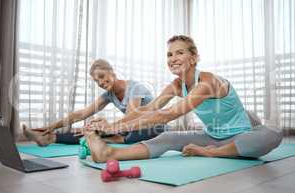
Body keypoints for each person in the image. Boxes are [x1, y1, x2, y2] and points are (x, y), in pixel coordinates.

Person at [82, 35, 283, 163]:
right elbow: (148, 110)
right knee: (168, 137)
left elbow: (166, 115)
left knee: (272, 133)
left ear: (194, 57)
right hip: (211, 136)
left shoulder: (207, 82)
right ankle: (109, 154)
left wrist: (113, 129)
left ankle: (212, 153)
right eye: (169, 54)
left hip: (240, 136)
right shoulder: (177, 85)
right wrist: (109, 125)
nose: (173, 58)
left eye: (180, 52)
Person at [23, 59, 167, 146]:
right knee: (92, 129)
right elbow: (81, 114)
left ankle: (114, 139)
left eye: (102, 77)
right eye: (96, 81)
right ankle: (49, 137)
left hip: (154, 128)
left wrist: (106, 127)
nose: (101, 82)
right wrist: (51, 126)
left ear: (112, 72)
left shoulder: (135, 87)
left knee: (101, 130)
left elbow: (131, 117)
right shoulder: (109, 95)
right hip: (131, 129)